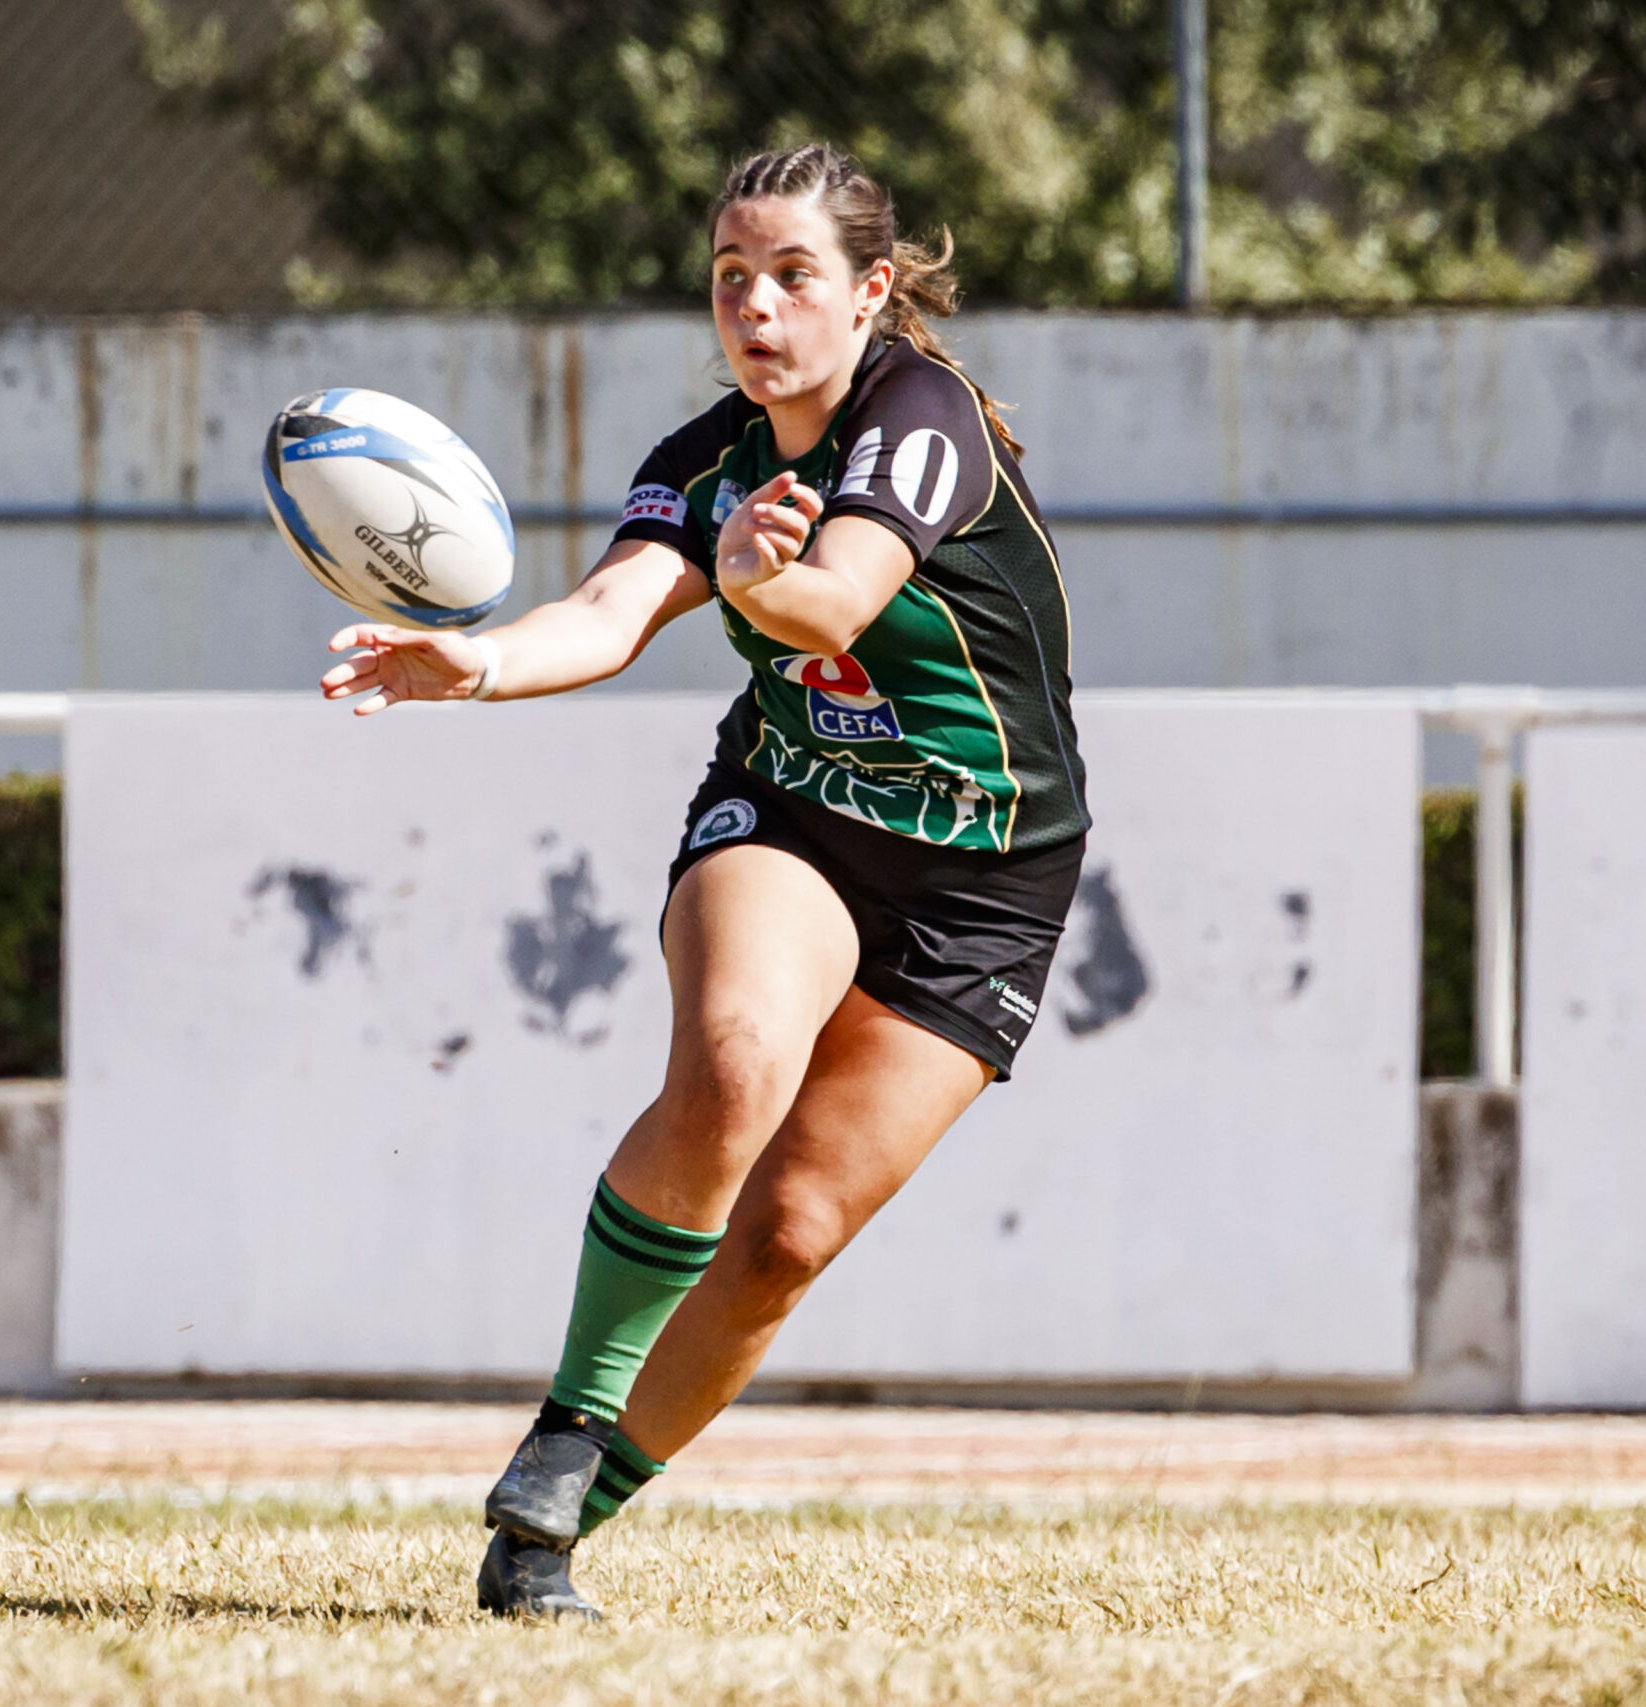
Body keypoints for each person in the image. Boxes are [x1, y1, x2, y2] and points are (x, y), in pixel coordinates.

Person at [319, 143, 1089, 1619]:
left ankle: (545, 1538)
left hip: (989, 881)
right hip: (792, 812)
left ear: (870, 293)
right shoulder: (706, 459)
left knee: (788, 1237)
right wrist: (469, 663)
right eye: (732, 277)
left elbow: (836, 594)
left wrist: (745, 572)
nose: (757, 306)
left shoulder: (919, 418)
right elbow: (606, 615)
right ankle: (569, 1419)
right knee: (735, 1066)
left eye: (794, 276)